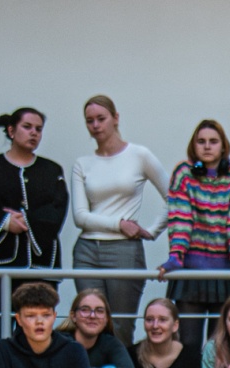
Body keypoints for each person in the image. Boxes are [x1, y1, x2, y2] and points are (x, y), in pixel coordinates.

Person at [0, 108, 67, 351]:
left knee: (37, 334)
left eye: (38, 129)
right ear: (11, 130)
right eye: (27, 127)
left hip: (40, 266)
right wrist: (4, 222)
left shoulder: (52, 171)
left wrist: (27, 221)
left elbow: (57, 210)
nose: (34, 133)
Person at [71, 97, 168, 345]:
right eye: (89, 121)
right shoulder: (83, 164)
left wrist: (153, 231)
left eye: (101, 119)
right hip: (87, 250)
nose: (95, 125)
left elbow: (175, 198)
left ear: (115, 118)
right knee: (89, 323)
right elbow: (80, 216)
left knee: (121, 326)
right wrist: (119, 224)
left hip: (124, 250)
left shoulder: (139, 155)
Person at [160, 120, 230, 355]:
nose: (207, 146)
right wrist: (176, 256)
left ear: (223, 146)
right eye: (201, 141)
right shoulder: (183, 173)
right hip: (191, 270)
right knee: (188, 343)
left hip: (226, 270)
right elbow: (180, 217)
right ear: (193, 146)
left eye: (213, 141)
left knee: (220, 345)